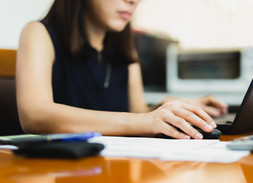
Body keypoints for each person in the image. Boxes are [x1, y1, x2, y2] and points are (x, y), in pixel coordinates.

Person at [16, 0, 228, 139]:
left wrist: (174, 108)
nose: (134, 1)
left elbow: (139, 112)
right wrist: (140, 120)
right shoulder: (39, 33)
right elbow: (35, 115)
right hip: (60, 172)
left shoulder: (124, 47)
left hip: (116, 169)